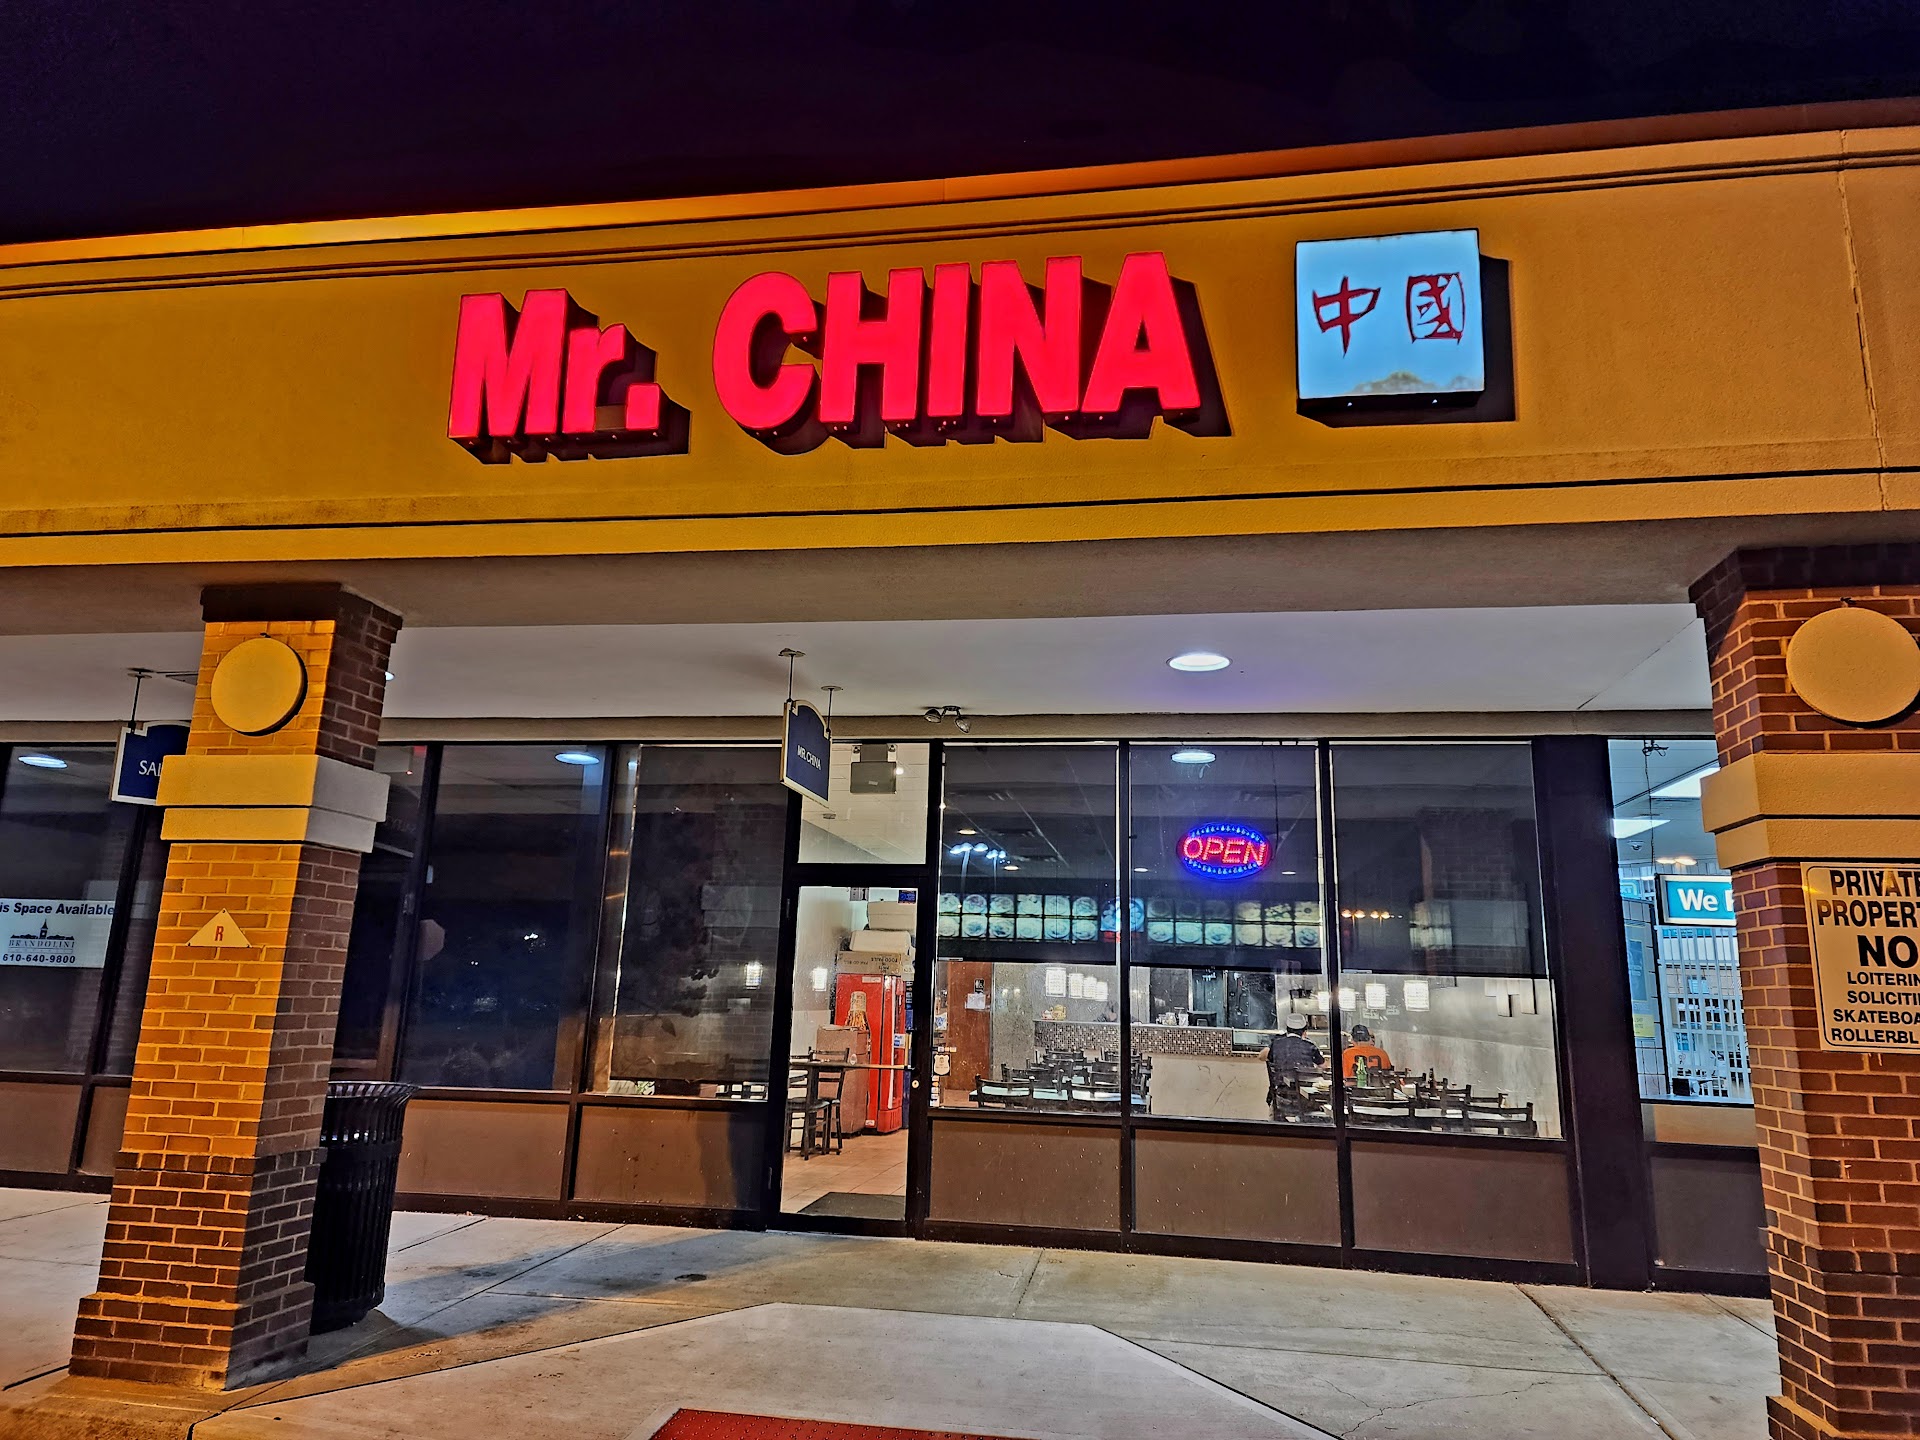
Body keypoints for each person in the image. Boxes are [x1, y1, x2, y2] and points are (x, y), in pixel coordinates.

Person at [1262, 1013, 1324, 1120]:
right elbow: (1323, 1066)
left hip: (1281, 1099)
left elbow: (1264, 1056)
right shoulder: (1310, 1046)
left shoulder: (1276, 1044)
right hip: (1305, 1101)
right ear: (1304, 1032)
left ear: (1287, 1030)